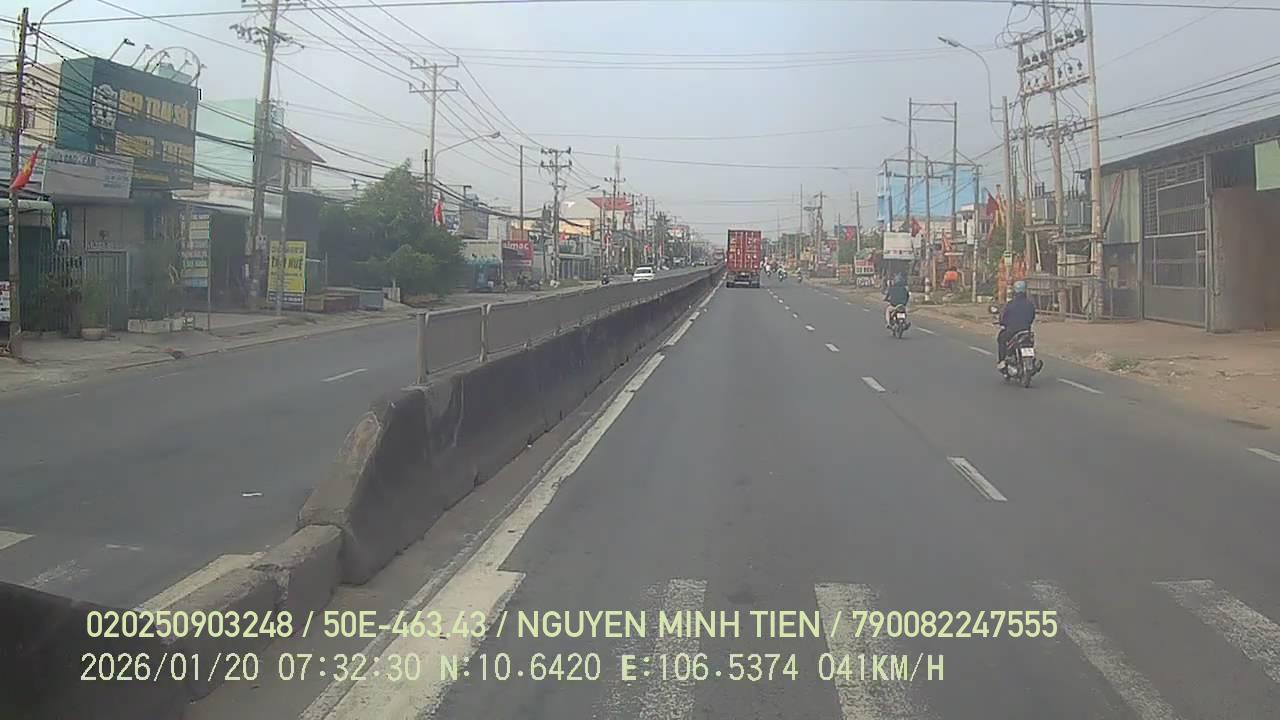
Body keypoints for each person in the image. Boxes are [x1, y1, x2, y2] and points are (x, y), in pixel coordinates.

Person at [997, 280, 1036, 369]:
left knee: (1001, 338)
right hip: (1026, 331)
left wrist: (1002, 322)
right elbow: (1032, 317)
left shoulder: (1010, 304)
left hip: (1012, 331)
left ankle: (1002, 361)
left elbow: (1004, 318)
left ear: (1014, 291)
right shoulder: (1030, 304)